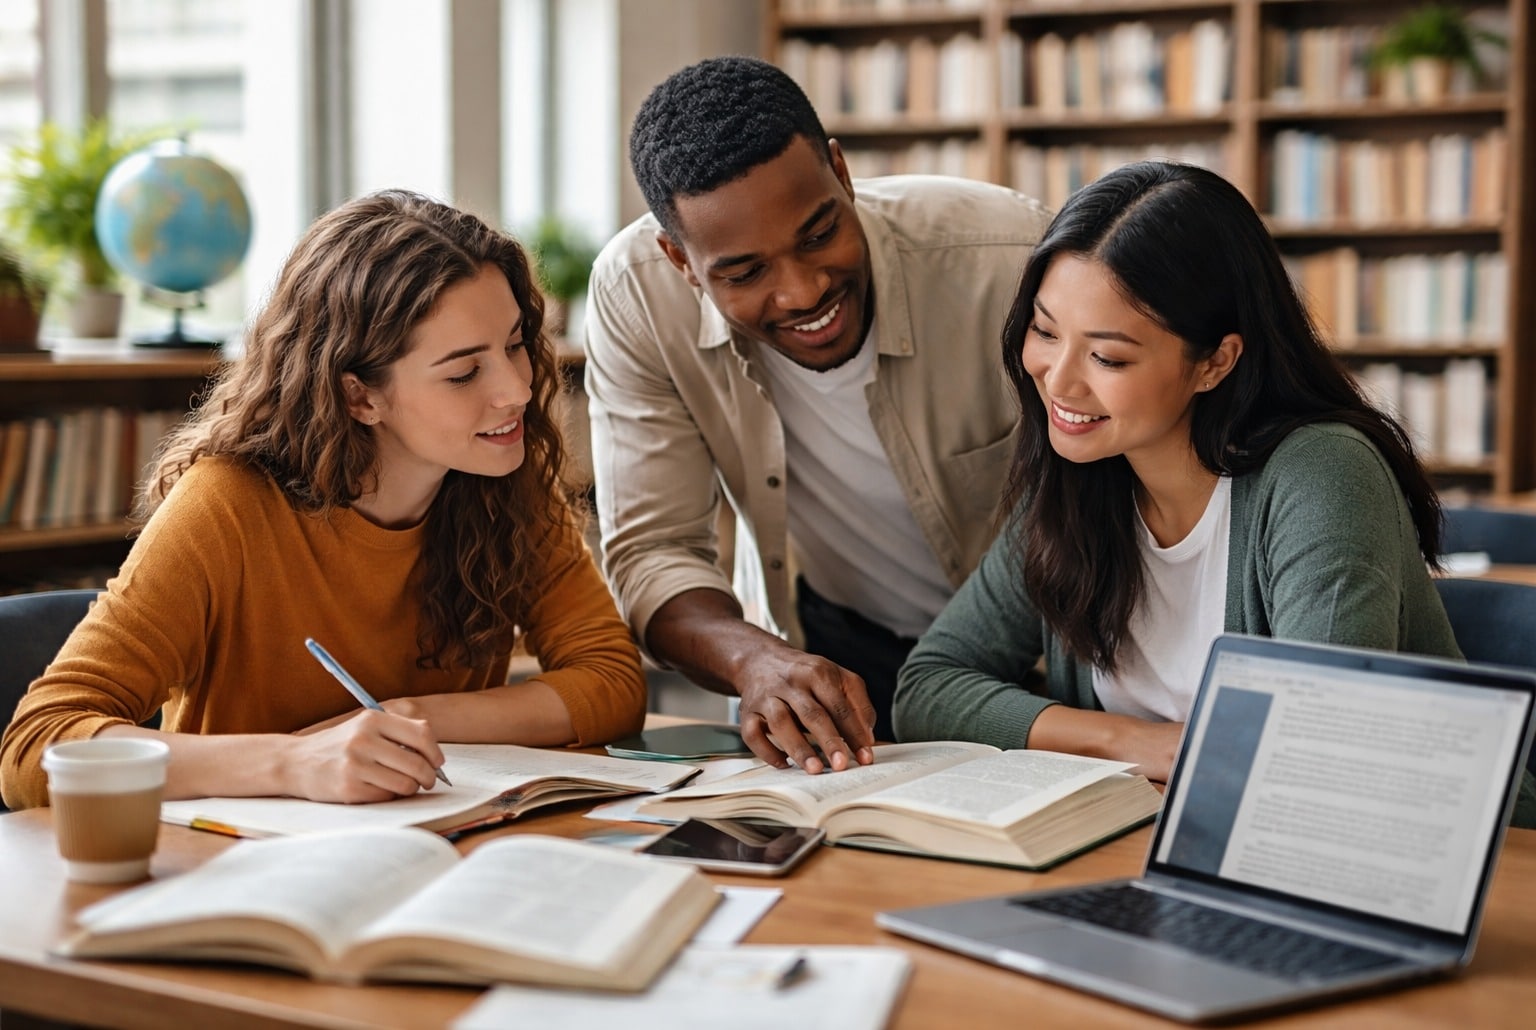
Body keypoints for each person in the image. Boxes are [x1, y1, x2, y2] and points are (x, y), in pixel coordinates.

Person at [893, 160, 1534, 803]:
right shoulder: (1076, 482)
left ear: (1215, 362)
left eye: (1107, 356)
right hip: (1161, 835)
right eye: (1044, 330)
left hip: (1422, 860)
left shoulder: (1320, 477)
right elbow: (928, 687)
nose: (1058, 380)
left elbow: (1318, 746)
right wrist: (1131, 742)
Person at [0, 190, 647, 811]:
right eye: (463, 372)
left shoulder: (507, 484)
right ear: (360, 396)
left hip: (430, 846)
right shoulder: (227, 505)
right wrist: (293, 762)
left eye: (513, 345)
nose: (516, 389)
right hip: (233, 864)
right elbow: (37, 745)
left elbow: (612, 684)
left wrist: (405, 718)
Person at [586, 56, 1052, 773]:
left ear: (840, 171)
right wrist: (756, 662)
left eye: (817, 235)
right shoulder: (637, 295)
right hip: (834, 655)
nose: (802, 292)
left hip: (1054, 656)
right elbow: (655, 551)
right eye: (744, 273)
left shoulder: (1010, 260)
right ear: (680, 259)